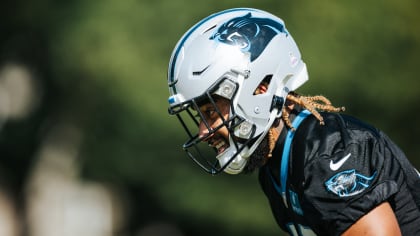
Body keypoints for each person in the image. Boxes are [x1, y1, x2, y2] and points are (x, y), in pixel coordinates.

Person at [166, 8, 420, 236]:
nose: (203, 131)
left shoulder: (326, 153)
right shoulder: (275, 168)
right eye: (200, 117)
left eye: (211, 112)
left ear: (259, 88)